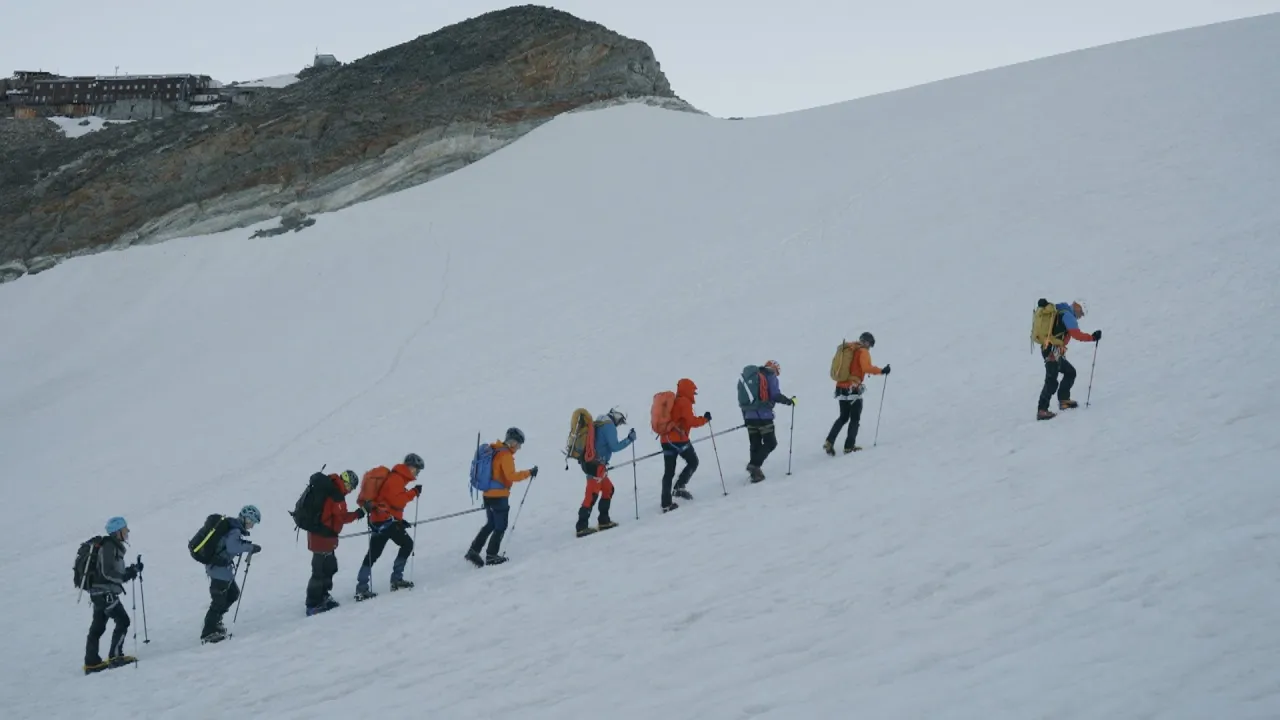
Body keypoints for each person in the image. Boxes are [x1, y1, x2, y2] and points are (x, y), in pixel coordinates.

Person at [355, 454, 424, 600]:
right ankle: (396, 579)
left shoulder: (396, 478)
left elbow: (388, 503)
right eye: (417, 470)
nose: (417, 473)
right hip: (385, 522)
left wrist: (399, 521)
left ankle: (361, 588)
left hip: (380, 520)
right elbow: (397, 501)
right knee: (407, 544)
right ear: (410, 467)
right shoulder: (396, 478)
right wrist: (414, 492)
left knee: (373, 554)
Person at [465, 428, 537, 566]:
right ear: (513, 443)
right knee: (500, 526)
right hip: (499, 496)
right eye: (519, 445)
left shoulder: (495, 451)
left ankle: (474, 550)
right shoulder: (505, 455)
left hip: (487, 494)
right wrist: (529, 472)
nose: (519, 448)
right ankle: (491, 555)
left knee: (490, 524)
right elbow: (511, 476)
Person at [84, 516, 140, 674]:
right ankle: (115, 657)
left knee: (98, 627)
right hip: (105, 592)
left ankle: (92, 663)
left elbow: (113, 571)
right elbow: (107, 572)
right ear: (117, 532)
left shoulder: (110, 546)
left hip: (98, 592)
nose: (127, 531)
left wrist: (130, 571)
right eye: (125, 529)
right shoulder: (109, 546)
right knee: (123, 621)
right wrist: (124, 576)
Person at [306, 470, 364, 615]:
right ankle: (313, 604)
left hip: (321, 535)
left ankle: (323, 596)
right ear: (346, 483)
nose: (350, 491)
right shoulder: (336, 495)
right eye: (351, 487)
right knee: (319, 570)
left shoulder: (330, 487)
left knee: (330, 567)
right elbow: (343, 517)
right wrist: (359, 513)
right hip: (322, 536)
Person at [201, 505, 261, 643]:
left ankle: (216, 622)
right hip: (219, 570)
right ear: (245, 519)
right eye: (251, 522)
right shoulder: (234, 530)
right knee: (219, 600)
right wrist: (250, 547)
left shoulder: (233, 528)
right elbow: (232, 546)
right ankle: (208, 632)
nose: (251, 526)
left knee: (233, 594)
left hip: (221, 570)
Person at [1036, 299, 1101, 420]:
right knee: (1051, 380)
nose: (1080, 316)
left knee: (1070, 372)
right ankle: (1042, 410)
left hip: (1051, 349)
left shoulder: (1061, 309)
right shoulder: (1068, 315)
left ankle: (1064, 400)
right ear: (1077, 307)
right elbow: (1077, 334)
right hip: (1051, 351)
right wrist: (1092, 337)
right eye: (1081, 313)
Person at [825, 332, 889, 455]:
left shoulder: (849, 349)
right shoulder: (862, 351)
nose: (869, 347)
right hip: (853, 388)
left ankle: (829, 441)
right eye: (870, 344)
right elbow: (866, 368)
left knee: (843, 417)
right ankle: (849, 446)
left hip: (840, 387)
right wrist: (882, 370)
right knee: (855, 418)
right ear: (866, 342)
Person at [576, 408, 636, 537]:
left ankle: (604, 520)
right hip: (596, 466)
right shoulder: (609, 426)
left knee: (608, 489)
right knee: (591, 495)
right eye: (620, 422)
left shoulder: (599, 421)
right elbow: (614, 447)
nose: (619, 425)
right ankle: (581, 526)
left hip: (594, 464)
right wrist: (629, 439)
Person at [739, 360, 795, 482]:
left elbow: (743, 401)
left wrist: (746, 419)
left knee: (755, 444)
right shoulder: (770, 375)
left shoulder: (751, 378)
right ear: (775, 369)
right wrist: (790, 401)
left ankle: (756, 474)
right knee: (771, 443)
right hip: (763, 416)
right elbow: (775, 395)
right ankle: (754, 465)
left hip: (749, 416)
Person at [659, 378, 711, 511]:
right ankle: (679, 487)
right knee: (693, 461)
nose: (694, 394)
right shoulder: (684, 402)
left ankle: (666, 503)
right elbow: (691, 421)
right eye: (693, 391)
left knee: (668, 472)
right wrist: (704, 419)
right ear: (688, 390)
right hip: (678, 439)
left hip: (665, 440)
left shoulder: (674, 401)